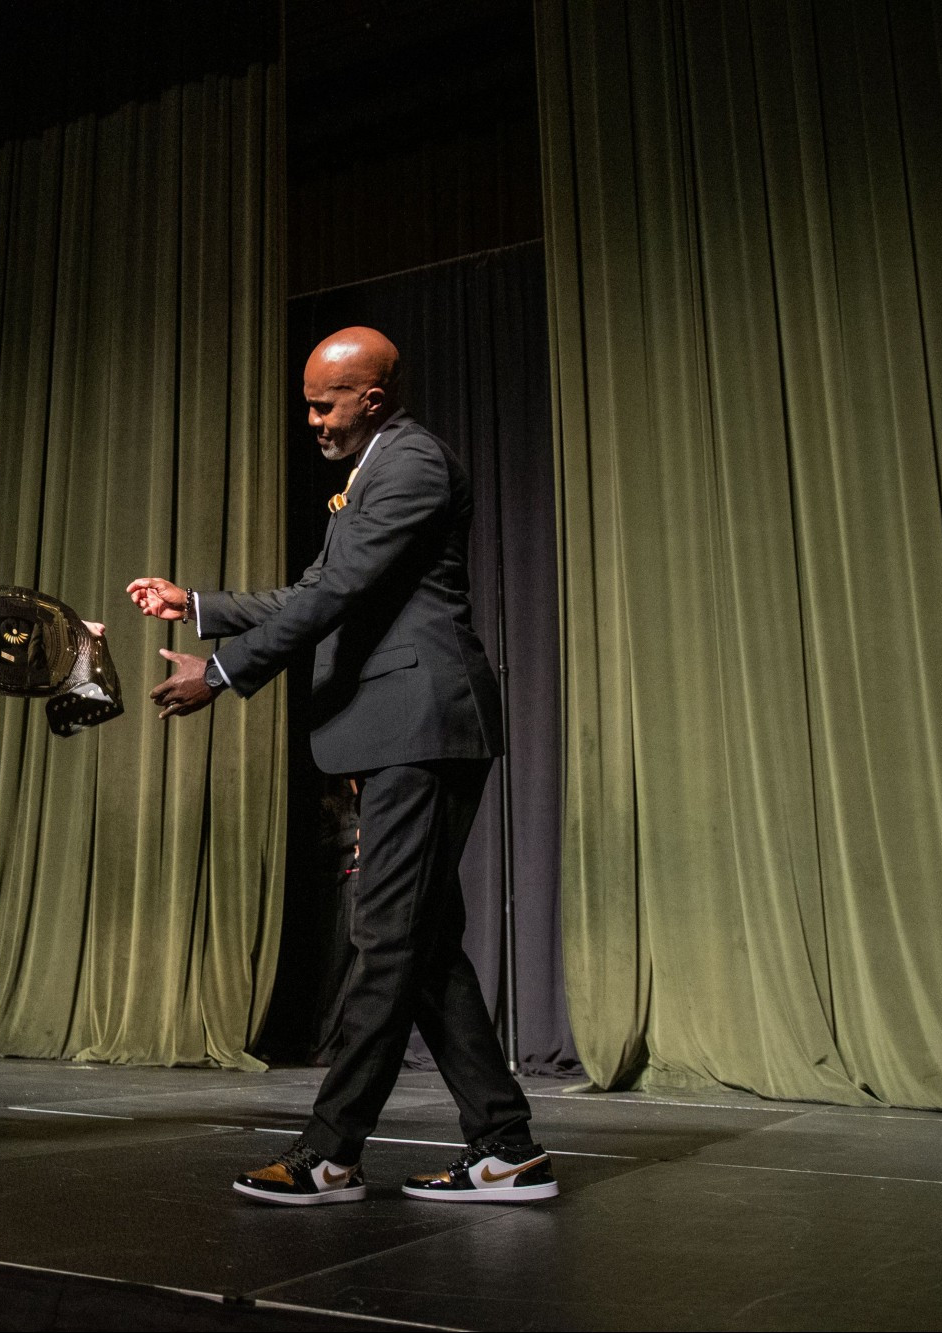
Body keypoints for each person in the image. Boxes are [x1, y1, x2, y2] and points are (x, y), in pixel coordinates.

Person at [127, 326, 557, 1205]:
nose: (312, 419)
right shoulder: (371, 471)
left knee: (387, 941)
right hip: (402, 728)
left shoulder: (411, 464)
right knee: (425, 947)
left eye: (327, 403)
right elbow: (308, 591)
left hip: (422, 725)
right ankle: (504, 1146)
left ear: (374, 397)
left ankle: (328, 1154)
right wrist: (200, 606)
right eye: (307, 403)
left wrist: (221, 671)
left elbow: (337, 593)